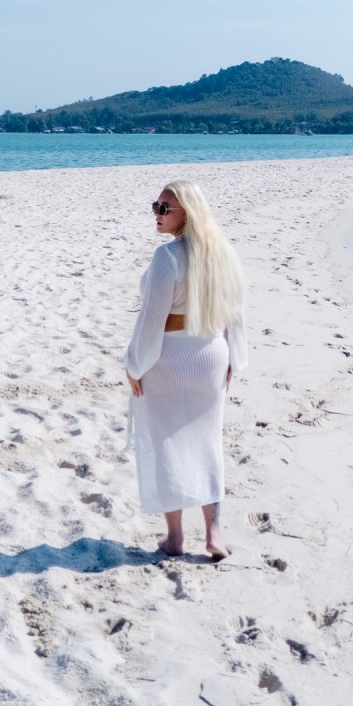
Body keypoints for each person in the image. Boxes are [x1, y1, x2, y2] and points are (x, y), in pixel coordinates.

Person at [124, 180, 248, 560]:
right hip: (212, 353)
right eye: (156, 206)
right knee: (208, 443)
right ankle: (214, 534)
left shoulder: (168, 257)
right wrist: (234, 359)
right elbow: (235, 310)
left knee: (166, 446)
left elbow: (151, 321)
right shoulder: (223, 253)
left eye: (165, 209)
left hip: (169, 357)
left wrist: (134, 364)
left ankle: (175, 538)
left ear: (187, 214)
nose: (157, 215)